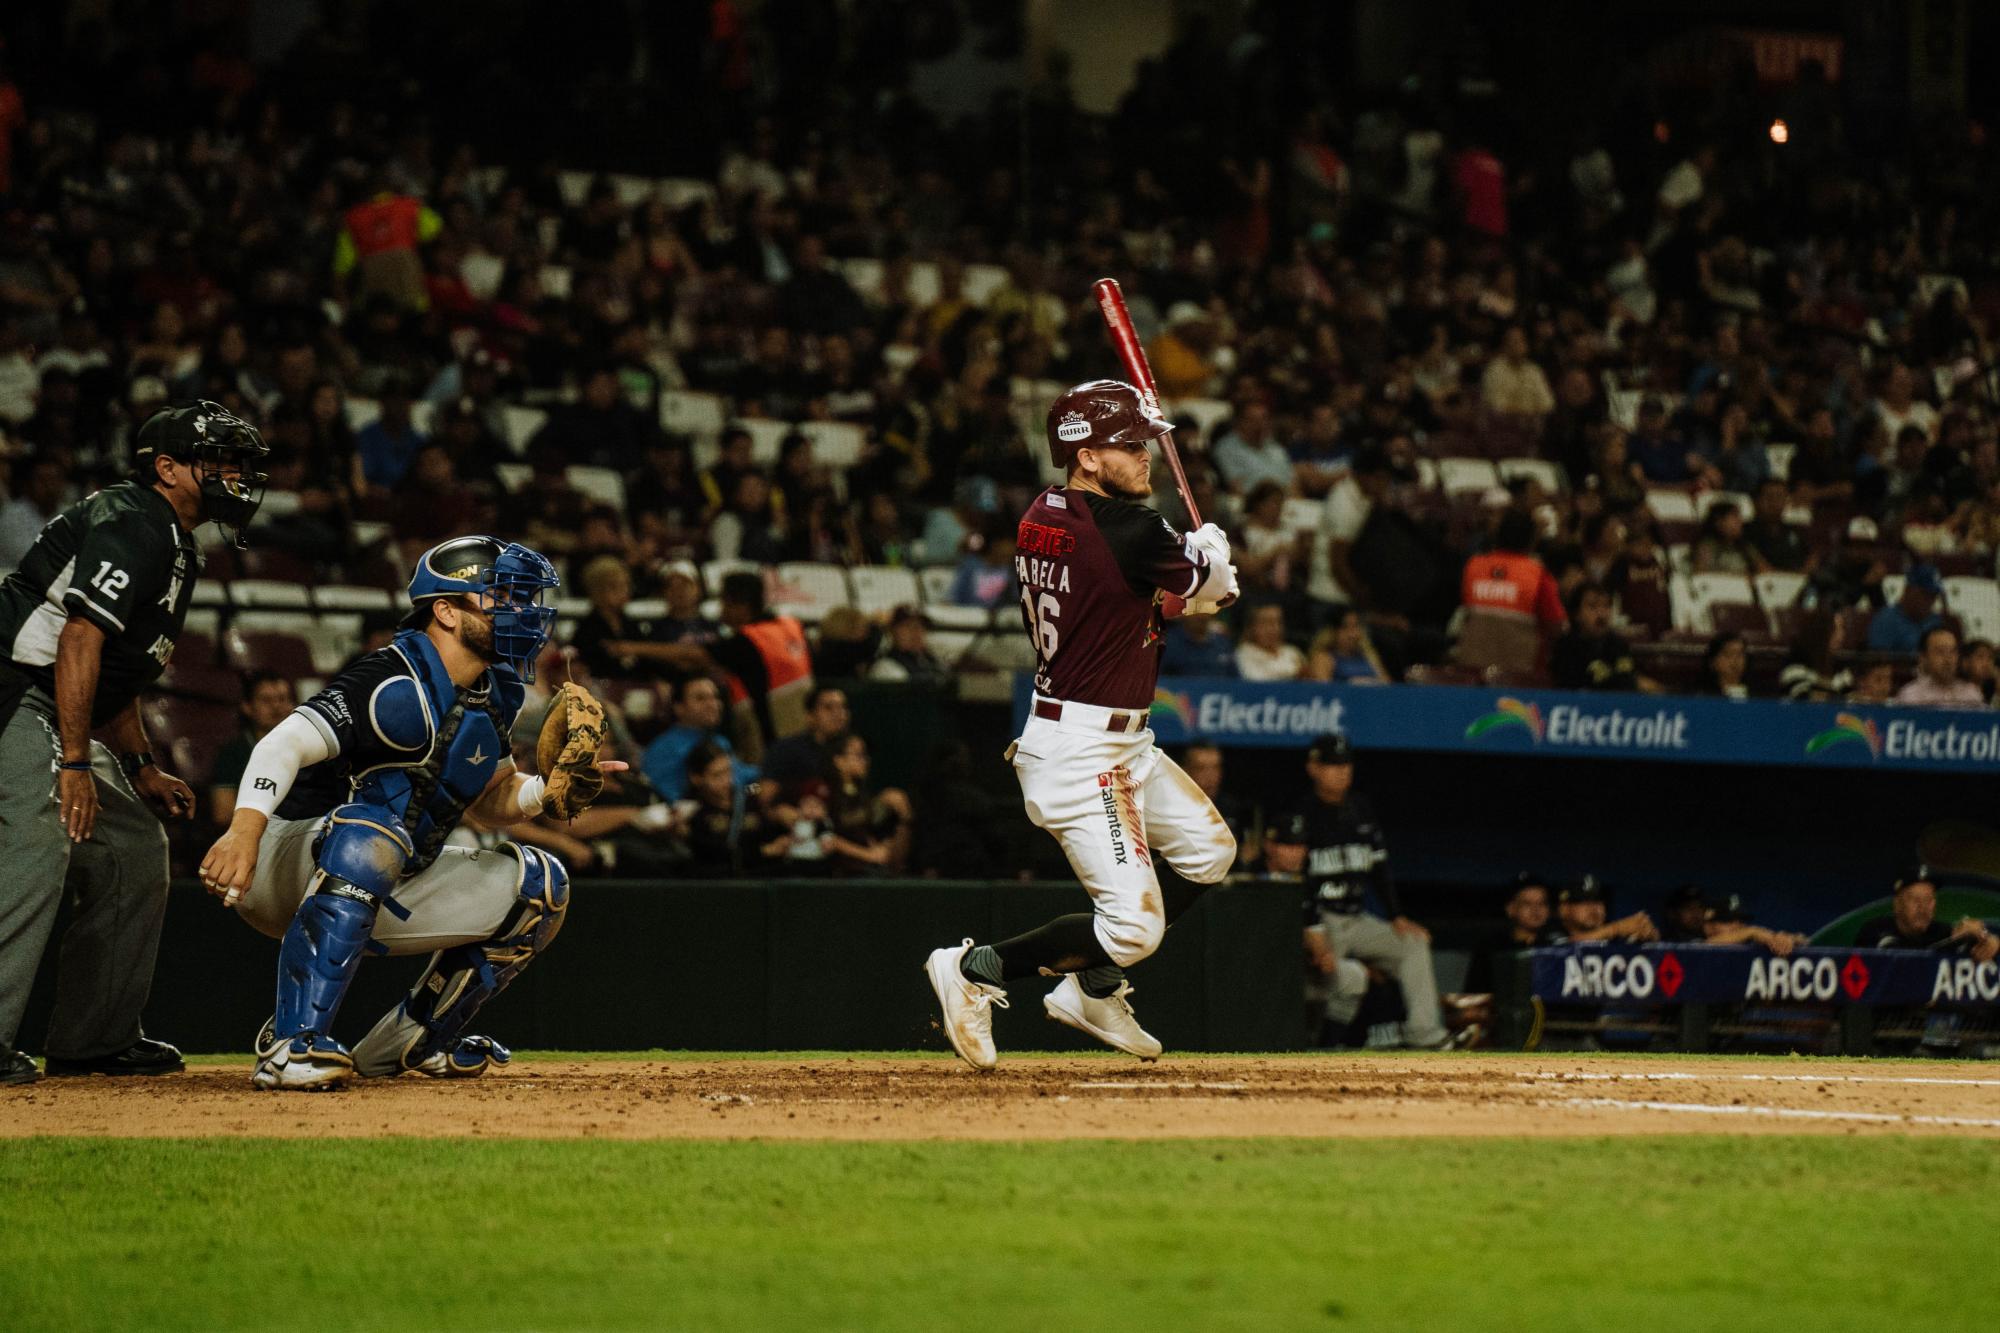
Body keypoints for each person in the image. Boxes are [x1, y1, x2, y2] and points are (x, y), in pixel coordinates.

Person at [199, 535, 615, 1091]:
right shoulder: (388, 678)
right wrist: (242, 835)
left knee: (541, 887)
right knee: (374, 829)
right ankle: (288, 1046)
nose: (522, 612)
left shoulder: (497, 693)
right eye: (502, 597)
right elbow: (283, 744)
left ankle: (409, 1044)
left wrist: (544, 790)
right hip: (281, 863)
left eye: (523, 598)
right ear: (445, 609)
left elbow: (489, 800)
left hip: (392, 873)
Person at [924, 379, 1240, 1070]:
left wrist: (1194, 579)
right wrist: (1211, 562)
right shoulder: (1132, 528)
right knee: (1134, 927)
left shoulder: (1048, 509)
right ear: (1087, 456)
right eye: (1129, 444)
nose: (1144, 454)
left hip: (1114, 735)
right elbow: (1197, 580)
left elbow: (1131, 598)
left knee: (1209, 853)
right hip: (1083, 749)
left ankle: (1093, 988)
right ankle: (974, 967)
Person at [0, 401, 265, 1085]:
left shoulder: (174, 540)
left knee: (133, 847)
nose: (232, 473)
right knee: (43, 836)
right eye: (216, 459)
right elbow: (79, 640)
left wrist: (141, 762)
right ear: (167, 468)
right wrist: (78, 762)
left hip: (56, 703)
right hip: (13, 690)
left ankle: (95, 1039)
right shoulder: (132, 519)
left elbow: (118, 670)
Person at [1266, 736, 1460, 1049]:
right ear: (1313, 768)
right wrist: (1309, 929)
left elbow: (1380, 867)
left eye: (1345, 765)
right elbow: (1295, 880)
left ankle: (1423, 1034)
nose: (1341, 772)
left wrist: (1396, 915)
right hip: (1320, 920)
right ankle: (1312, 1040)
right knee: (1337, 979)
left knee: (1412, 943)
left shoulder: (1361, 808)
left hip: (1356, 917)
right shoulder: (1302, 814)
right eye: (1332, 765)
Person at [1456, 508, 1565, 674]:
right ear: (1531, 540)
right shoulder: (1537, 573)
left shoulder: (1473, 566)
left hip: (1470, 670)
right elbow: (1556, 626)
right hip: (1519, 675)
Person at [640, 675, 755, 801]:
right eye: (701, 699)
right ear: (679, 707)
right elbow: (664, 797)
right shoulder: (663, 750)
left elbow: (742, 774)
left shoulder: (720, 741)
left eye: (715, 697)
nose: (712, 704)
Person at [210, 671, 299, 826]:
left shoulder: (306, 746)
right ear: (247, 707)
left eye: (283, 699)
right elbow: (223, 813)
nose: (277, 706)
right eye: (266, 700)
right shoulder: (232, 753)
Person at [1856, 866, 1998, 961]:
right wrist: (1951, 944)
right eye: (1915, 899)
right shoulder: (1876, 930)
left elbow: (1979, 945)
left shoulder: (1941, 931)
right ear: (1897, 904)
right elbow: (1903, 963)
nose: (1923, 908)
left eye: (1928, 900)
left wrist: (1987, 939)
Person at [1551, 583, 1657, 692]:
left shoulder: (1618, 645)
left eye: (1606, 606)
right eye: (1593, 606)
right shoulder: (1567, 648)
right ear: (1576, 614)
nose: (1601, 614)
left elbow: (1631, 679)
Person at [1894, 625, 1985, 709]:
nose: (1948, 659)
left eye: (1952, 651)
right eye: (1940, 652)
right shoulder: (1911, 696)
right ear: (1923, 658)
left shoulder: (1971, 694)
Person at [1866, 563, 1946, 654]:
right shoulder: (1885, 621)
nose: (1931, 602)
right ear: (1909, 590)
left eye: (1934, 597)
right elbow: (1879, 665)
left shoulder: (1934, 621)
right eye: (1926, 595)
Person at [1555, 876, 1658, 943]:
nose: (1593, 908)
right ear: (1564, 910)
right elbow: (1568, 947)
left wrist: (1649, 940)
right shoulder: (1549, 933)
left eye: (1598, 901)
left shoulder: (1614, 939)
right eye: (1583, 901)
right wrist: (1616, 928)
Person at [867, 605, 949, 686]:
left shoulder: (931, 660)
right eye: (908, 626)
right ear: (892, 631)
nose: (917, 632)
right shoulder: (885, 667)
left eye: (921, 626)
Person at [1235, 601, 1305, 680]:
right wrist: (1295, 674)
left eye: (1278, 622)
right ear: (1252, 627)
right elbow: (1256, 680)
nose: (1275, 629)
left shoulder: (1292, 652)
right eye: (1267, 622)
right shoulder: (1244, 654)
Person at [1699, 631, 1751, 699]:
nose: (1735, 661)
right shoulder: (1703, 697)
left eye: (1740, 655)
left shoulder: (1759, 696)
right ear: (1712, 662)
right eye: (1728, 654)